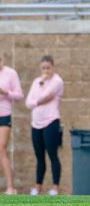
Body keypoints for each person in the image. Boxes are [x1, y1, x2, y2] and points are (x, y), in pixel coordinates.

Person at [26, 56, 64, 196]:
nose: (46, 71)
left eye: (48, 68)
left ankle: (55, 187)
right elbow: (28, 102)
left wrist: (37, 100)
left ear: (53, 67)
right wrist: (37, 101)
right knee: (39, 156)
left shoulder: (57, 81)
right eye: (43, 68)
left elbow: (47, 96)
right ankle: (38, 186)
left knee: (52, 154)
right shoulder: (37, 81)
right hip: (36, 123)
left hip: (51, 121)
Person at [0, 55, 24, 195]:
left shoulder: (10, 73)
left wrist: (5, 92)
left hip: (4, 115)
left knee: (1, 148)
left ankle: (10, 187)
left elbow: (19, 95)